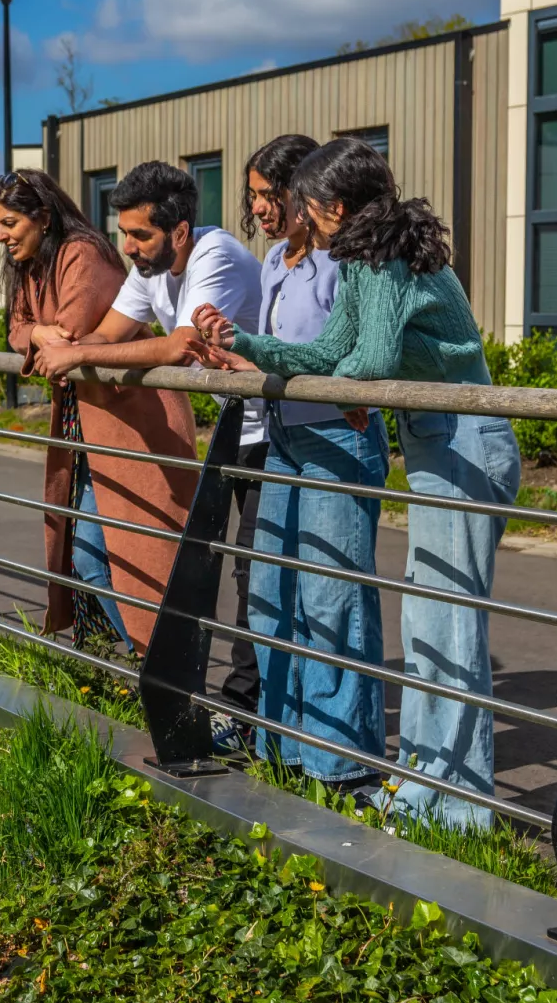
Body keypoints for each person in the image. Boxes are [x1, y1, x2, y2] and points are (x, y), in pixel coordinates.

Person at [193, 137, 521, 830]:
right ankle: (433, 791)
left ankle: (461, 805)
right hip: (436, 441)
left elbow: (368, 358)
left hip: (468, 444)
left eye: (303, 203)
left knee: (449, 628)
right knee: (429, 625)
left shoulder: (389, 259)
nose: (294, 214)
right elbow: (325, 353)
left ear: (334, 207)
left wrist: (343, 387)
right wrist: (244, 345)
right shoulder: (364, 262)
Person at [34, 161, 266, 729]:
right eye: (126, 233)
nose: (129, 247)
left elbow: (177, 348)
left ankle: (242, 713)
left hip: (278, 432)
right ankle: (176, 687)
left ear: (180, 232)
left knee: (255, 578)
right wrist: (49, 338)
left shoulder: (216, 256)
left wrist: (76, 354)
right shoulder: (150, 269)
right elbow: (105, 337)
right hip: (240, 431)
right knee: (110, 557)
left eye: (141, 235)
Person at [231, 134, 392, 805]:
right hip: (283, 440)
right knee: (272, 595)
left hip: (338, 435)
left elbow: (353, 347)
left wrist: (341, 384)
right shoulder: (275, 262)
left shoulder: (346, 258)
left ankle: (344, 764)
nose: (264, 208)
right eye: (255, 197)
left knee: (332, 599)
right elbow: (295, 350)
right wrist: (238, 347)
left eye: (274, 195)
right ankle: (284, 746)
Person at [0, 169, 199, 654]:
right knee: (91, 555)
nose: (1, 237)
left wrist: (44, 334)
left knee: (131, 557)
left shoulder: (80, 254)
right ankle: (143, 663)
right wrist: (38, 335)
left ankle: (157, 666)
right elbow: (19, 327)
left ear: (42, 217)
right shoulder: (35, 264)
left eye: (8, 224)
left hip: (136, 424)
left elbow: (72, 334)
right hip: (93, 427)